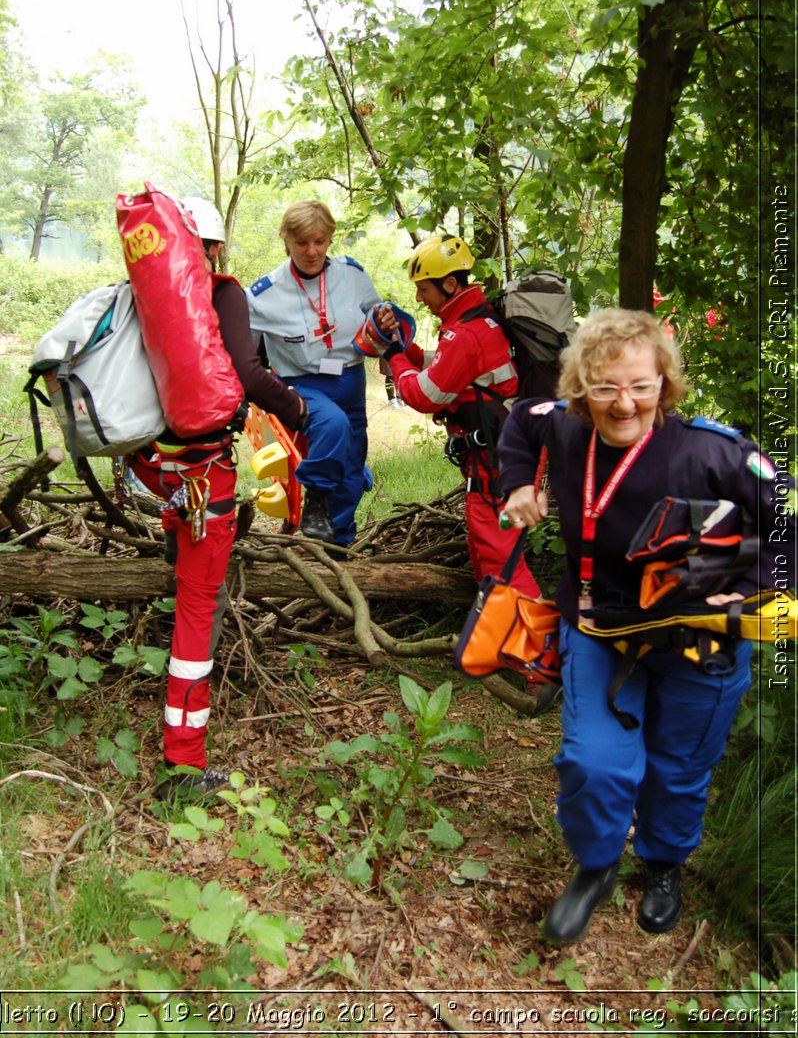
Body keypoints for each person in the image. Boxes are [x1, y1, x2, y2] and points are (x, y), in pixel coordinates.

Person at [498, 307, 794, 943]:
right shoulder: (567, 427)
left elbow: (786, 528)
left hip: (702, 642)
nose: (624, 403)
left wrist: (745, 591)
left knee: (678, 767)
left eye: (640, 385)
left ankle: (663, 864)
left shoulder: (715, 452)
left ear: (665, 381)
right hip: (600, 631)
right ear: (580, 386)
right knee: (593, 760)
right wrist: (519, 483)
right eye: (605, 386)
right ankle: (598, 862)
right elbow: (521, 422)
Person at [129, 198, 308, 799]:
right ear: (211, 247)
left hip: (158, 472)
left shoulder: (145, 296)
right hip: (208, 482)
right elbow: (249, 374)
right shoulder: (221, 293)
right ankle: (183, 764)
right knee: (195, 617)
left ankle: (181, 748)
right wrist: (298, 410)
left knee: (187, 593)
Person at [380, 233, 540, 597]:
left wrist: (395, 357)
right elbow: (444, 365)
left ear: (449, 284)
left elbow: (425, 395)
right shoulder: (474, 321)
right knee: (485, 550)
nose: (420, 298)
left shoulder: (466, 334)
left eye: (424, 289)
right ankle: (496, 633)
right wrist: (407, 348)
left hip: (495, 460)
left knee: (500, 556)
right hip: (495, 455)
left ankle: (537, 644)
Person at [246, 201, 381, 551]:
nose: (312, 251)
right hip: (302, 382)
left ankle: (338, 545)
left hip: (351, 379)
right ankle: (316, 497)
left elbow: (376, 317)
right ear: (287, 241)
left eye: (319, 242)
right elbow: (237, 346)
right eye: (302, 243)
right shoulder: (265, 294)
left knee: (351, 463)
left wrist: (385, 324)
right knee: (331, 425)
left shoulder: (352, 276)